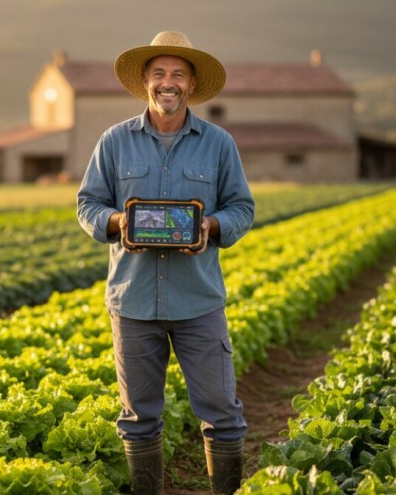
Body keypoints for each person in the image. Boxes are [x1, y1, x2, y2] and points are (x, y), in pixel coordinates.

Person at [76, 31, 255, 495]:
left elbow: (242, 208)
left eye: (178, 74)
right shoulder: (114, 142)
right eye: (159, 74)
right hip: (133, 301)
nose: (168, 83)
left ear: (192, 84)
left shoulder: (218, 143)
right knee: (139, 418)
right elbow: (87, 204)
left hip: (198, 301)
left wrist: (209, 228)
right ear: (145, 82)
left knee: (222, 413)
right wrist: (119, 221)